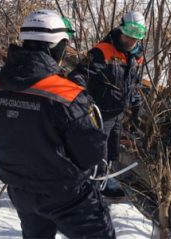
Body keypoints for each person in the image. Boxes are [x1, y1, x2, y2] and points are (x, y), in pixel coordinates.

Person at [0, 9, 115, 238]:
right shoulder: (67, 95)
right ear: (57, 46)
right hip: (67, 195)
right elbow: (91, 154)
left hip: (21, 191)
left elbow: (3, 135)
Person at [69, 11, 146, 198]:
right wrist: (86, 101)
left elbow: (133, 82)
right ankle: (93, 185)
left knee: (112, 149)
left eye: (136, 36)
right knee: (98, 150)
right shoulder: (103, 51)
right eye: (128, 34)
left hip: (119, 111)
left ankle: (104, 178)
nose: (131, 40)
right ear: (121, 28)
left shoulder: (136, 55)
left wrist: (135, 104)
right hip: (100, 111)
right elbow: (78, 76)